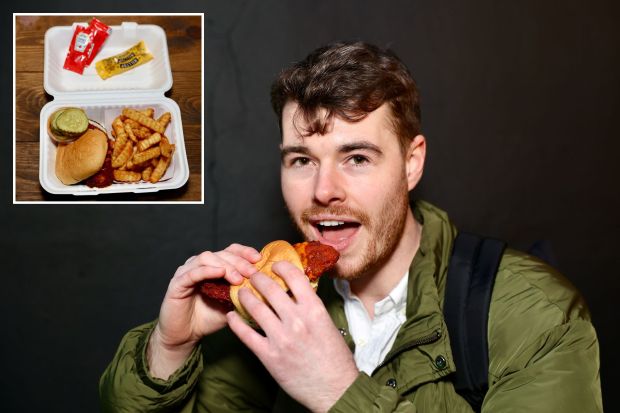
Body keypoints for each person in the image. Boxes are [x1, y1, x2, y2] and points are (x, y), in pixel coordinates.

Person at [99, 42, 602, 412]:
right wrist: (170, 349)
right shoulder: (277, 309)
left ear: (411, 163)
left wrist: (339, 391)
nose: (323, 191)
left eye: (356, 157)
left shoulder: (536, 315)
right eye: (301, 160)